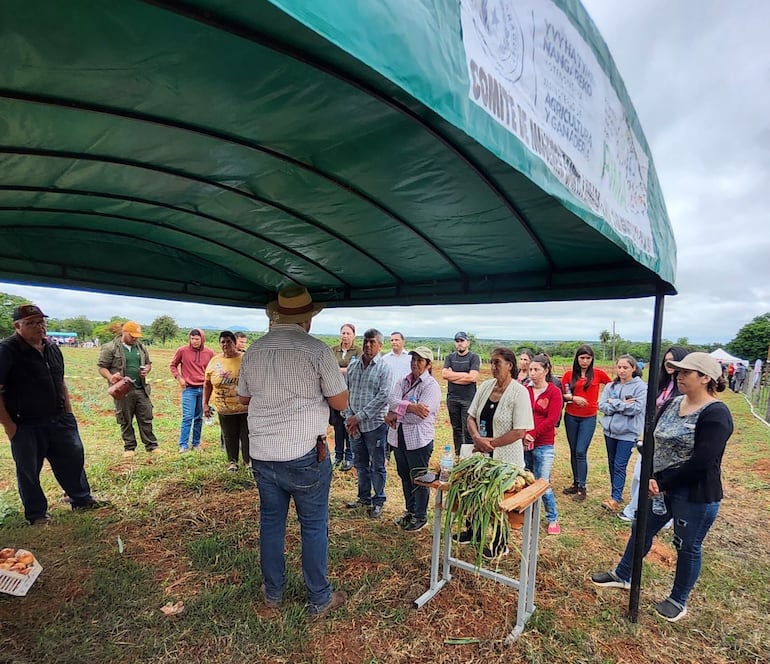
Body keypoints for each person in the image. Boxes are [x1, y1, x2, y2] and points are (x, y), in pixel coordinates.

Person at [592, 352, 733, 622]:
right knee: (641, 529)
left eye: (686, 373)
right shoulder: (672, 403)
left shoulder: (716, 413)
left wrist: (662, 482)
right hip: (659, 486)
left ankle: (678, 600)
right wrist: (650, 471)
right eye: (677, 372)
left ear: (705, 378)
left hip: (694, 493)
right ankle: (624, 574)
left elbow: (703, 461)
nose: (678, 376)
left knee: (687, 545)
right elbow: (652, 439)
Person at [237, 286, 348, 617]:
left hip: (262, 452)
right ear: (307, 320)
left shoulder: (254, 350)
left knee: (271, 523)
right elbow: (340, 402)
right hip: (303, 453)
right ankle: (318, 598)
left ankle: (273, 593)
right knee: (313, 525)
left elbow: (244, 398)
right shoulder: (317, 352)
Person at [0, 304, 104, 524]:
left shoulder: (52, 348)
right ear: (17, 326)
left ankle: (81, 498)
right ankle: (36, 514)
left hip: (59, 418)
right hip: (25, 422)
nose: (39, 327)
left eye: (41, 322)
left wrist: (68, 412)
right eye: (31, 323)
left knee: (73, 459)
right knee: (29, 470)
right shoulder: (6, 350)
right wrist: (9, 426)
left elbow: (61, 381)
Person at [463, 347, 534, 556]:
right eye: (491, 362)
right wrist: (477, 438)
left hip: (506, 459)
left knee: (499, 501)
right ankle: (473, 531)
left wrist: (491, 443)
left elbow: (520, 430)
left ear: (510, 366)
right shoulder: (485, 387)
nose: (493, 366)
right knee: (477, 492)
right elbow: (471, 417)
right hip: (482, 454)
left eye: (497, 363)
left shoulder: (519, 392)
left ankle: (500, 544)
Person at [619, 346, 687, 522]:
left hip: (671, 440)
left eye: (673, 360)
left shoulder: (683, 388)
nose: (669, 364)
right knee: (639, 474)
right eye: (666, 361)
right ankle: (634, 509)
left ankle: (662, 515)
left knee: (663, 479)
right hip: (652, 436)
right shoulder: (659, 383)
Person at [385, 346, 441, 532]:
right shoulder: (403, 381)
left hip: (418, 440)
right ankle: (410, 511)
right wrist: (410, 406)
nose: (415, 363)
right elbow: (391, 400)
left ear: (428, 364)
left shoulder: (431, 386)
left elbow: (420, 416)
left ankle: (420, 516)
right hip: (399, 438)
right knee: (404, 475)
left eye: (420, 360)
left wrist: (397, 413)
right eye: (413, 359)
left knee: (419, 478)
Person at [342, 329, 392, 519]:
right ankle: (363, 497)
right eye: (366, 342)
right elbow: (345, 393)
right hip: (354, 426)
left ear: (380, 345)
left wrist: (359, 417)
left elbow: (383, 397)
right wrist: (348, 417)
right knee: (360, 463)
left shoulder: (384, 368)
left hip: (375, 426)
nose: (368, 345)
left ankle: (378, 500)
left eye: (372, 342)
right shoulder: (353, 366)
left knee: (377, 465)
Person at [98, 321, 159, 458]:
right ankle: (129, 447)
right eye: (132, 336)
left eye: (137, 336)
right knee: (125, 419)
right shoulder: (110, 348)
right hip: (123, 391)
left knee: (146, 417)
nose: (135, 338)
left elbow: (148, 363)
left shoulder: (141, 347)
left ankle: (151, 446)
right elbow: (102, 367)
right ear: (124, 332)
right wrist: (111, 376)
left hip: (141, 388)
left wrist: (147, 370)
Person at [561, 345, 612, 502]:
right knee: (573, 451)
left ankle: (582, 487)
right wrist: (572, 398)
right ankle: (576, 483)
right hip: (571, 416)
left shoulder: (598, 374)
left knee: (581, 451)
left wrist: (609, 400)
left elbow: (612, 386)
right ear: (577, 359)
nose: (585, 361)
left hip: (588, 418)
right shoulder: (569, 375)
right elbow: (563, 394)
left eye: (588, 358)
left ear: (592, 359)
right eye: (582, 358)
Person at [598, 354, 647, 512]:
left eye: (625, 367)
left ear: (633, 368)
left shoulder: (640, 387)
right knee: (612, 463)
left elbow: (636, 409)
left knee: (620, 464)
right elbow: (602, 405)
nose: (621, 370)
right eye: (619, 367)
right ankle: (615, 493)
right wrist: (620, 404)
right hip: (610, 432)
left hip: (627, 433)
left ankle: (615, 497)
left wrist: (614, 403)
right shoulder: (611, 386)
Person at [524, 354, 563, 535]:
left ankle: (552, 518)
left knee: (542, 482)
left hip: (544, 443)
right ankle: (528, 514)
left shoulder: (554, 392)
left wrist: (533, 433)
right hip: (524, 442)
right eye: (530, 369)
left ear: (546, 371)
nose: (532, 373)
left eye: (536, 370)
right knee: (526, 480)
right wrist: (523, 434)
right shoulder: (526, 389)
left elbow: (552, 419)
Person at [203, 331, 249, 471]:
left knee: (246, 435)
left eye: (229, 341)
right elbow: (207, 384)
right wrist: (205, 403)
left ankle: (248, 462)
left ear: (235, 343)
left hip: (245, 407)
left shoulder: (245, 358)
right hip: (224, 408)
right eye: (223, 342)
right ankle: (233, 462)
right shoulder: (215, 361)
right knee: (229, 436)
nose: (226, 345)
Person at [170, 329, 215, 453]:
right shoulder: (182, 351)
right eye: (192, 338)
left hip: (203, 389)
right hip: (189, 389)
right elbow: (173, 365)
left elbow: (215, 368)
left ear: (202, 339)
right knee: (187, 417)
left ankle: (196, 443)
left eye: (197, 339)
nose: (194, 341)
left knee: (199, 417)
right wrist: (179, 378)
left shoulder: (209, 353)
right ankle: (183, 444)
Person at [442, 331, 481, 456]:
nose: (460, 343)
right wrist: (465, 375)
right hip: (452, 398)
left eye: (462, 341)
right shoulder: (449, 357)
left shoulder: (474, 357)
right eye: (457, 341)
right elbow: (444, 374)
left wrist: (453, 375)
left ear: (468, 342)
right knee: (456, 429)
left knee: (468, 429)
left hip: (468, 399)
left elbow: (473, 378)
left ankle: (468, 457)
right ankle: (459, 455)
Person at [330, 323, 361, 470]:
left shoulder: (359, 351)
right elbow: (328, 368)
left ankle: (349, 457)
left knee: (349, 424)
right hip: (335, 392)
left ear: (354, 335)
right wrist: (345, 370)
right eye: (343, 333)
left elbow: (357, 369)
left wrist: (339, 370)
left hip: (351, 394)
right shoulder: (333, 350)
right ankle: (337, 456)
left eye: (348, 333)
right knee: (337, 426)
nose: (345, 336)